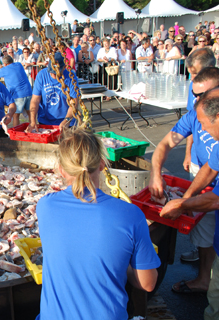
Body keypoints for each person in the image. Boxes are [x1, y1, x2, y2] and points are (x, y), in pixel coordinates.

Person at [36, 128, 160, 320]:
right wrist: (120, 261)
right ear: (102, 164)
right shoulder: (131, 215)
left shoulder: (45, 207)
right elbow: (147, 283)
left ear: (61, 169)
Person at [150, 67, 219, 296]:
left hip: (213, 196)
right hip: (205, 186)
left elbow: (215, 199)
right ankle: (208, 278)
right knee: (208, 235)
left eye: (202, 96)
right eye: (195, 95)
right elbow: (211, 167)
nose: (196, 101)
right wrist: (186, 196)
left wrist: (181, 204)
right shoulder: (198, 115)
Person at [27, 52, 79, 131]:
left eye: (56, 73)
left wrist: (67, 120)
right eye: (51, 72)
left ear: (64, 67)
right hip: (46, 121)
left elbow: (74, 102)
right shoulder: (41, 75)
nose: (54, 75)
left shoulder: (70, 77)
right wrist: (33, 121)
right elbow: (35, 100)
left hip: (66, 120)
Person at [0, 55, 32, 127]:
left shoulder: (5, 69)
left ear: (5, 64)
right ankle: (33, 129)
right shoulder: (19, 65)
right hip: (28, 92)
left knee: (16, 115)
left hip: (18, 95)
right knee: (30, 113)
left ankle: (16, 133)